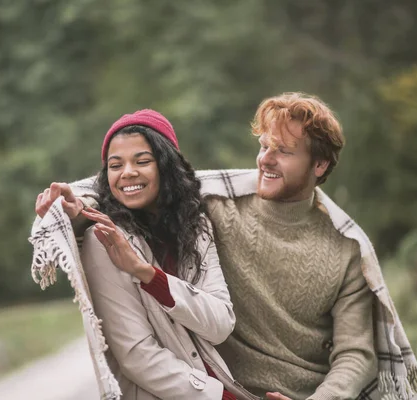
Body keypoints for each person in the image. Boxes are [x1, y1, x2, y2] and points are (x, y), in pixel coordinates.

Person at [35, 93, 417, 400]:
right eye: (263, 146)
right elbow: (124, 188)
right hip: (225, 389)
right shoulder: (218, 208)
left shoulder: (347, 251)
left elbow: (356, 354)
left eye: (284, 151)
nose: (265, 161)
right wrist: (76, 213)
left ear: (320, 165)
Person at [44, 109, 257, 399]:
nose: (128, 172)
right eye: (115, 165)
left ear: (166, 167)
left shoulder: (196, 227)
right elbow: (137, 356)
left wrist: (147, 274)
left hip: (220, 385)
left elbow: (219, 325)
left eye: (142, 161)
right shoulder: (104, 240)